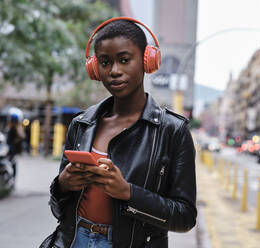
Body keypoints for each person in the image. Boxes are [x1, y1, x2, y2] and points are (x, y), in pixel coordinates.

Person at [40, 17, 197, 248]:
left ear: (147, 61)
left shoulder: (172, 131)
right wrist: (62, 184)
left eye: (124, 60)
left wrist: (128, 193)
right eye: (104, 62)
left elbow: (185, 217)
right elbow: (58, 209)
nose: (114, 71)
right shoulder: (81, 124)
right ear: (94, 69)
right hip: (73, 240)